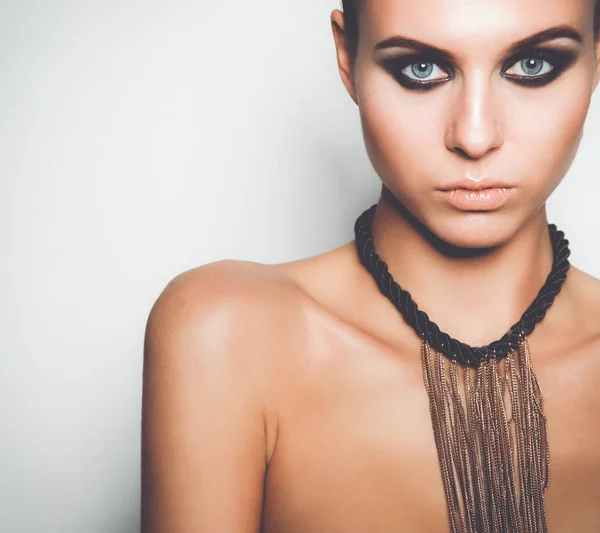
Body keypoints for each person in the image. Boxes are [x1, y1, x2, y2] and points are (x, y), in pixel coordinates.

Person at [140, 0, 600, 531]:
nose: (474, 137)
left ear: (595, 56)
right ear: (347, 57)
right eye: (421, 69)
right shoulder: (229, 333)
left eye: (533, 66)